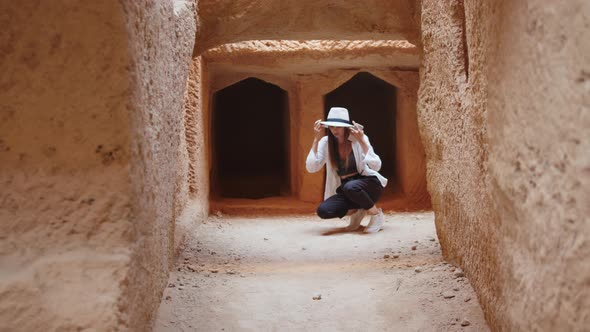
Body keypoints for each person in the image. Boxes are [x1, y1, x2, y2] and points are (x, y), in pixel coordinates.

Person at [306, 107, 388, 233]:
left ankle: (376, 215)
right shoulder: (326, 142)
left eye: (338, 127)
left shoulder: (358, 139)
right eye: (332, 126)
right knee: (324, 211)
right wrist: (316, 139)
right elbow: (312, 167)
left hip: (369, 185)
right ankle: (359, 210)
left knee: (351, 187)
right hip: (347, 189)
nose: (334, 130)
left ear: (345, 127)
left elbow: (376, 165)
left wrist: (362, 141)